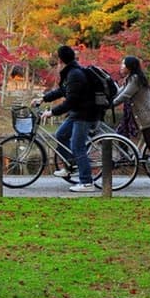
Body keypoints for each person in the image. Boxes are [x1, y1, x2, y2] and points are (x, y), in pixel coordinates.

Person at [37, 45, 100, 192]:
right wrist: (44, 98)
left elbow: (70, 101)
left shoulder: (75, 74)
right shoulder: (71, 72)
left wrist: (52, 112)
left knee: (78, 146)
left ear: (60, 59)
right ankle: (70, 166)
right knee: (61, 134)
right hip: (78, 112)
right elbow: (63, 90)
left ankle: (87, 182)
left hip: (84, 114)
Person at [112, 56, 150, 188]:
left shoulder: (135, 79)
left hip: (146, 117)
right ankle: (127, 158)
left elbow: (125, 95)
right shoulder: (130, 79)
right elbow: (119, 92)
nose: (121, 66)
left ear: (129, 67)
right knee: (120, 134)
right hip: (138, 118)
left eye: (123, 64)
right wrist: (109, 97)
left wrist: (110, 104)